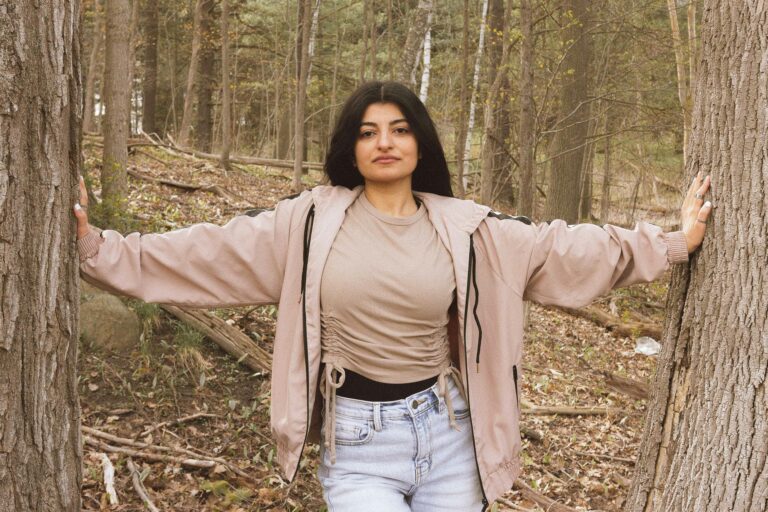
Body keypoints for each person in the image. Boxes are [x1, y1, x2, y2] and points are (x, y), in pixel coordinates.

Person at [74, 81, 712, 511]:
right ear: (350, 147)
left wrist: (672, 243)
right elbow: (205, 252)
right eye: (369, 131)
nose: (385, 142)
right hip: (358, 440)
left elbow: (567, 249)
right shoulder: (308, 223)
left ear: (418, 143)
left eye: (400, 129)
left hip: (448, 431)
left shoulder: (469, 229)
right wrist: (98, 250)